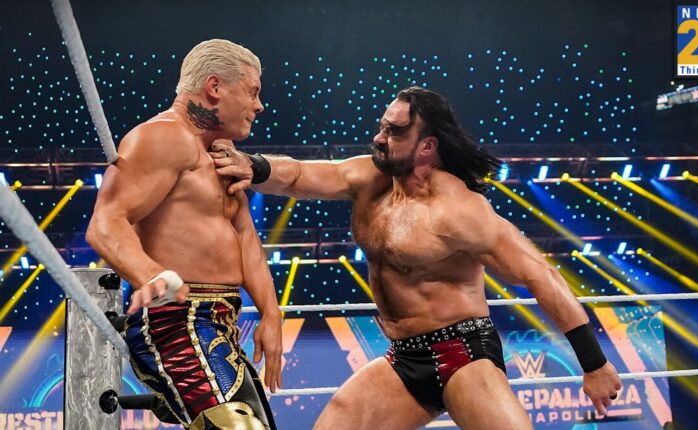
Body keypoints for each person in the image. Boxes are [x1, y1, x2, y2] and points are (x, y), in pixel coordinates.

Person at [211, 86, 622, 429]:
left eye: (394, 131)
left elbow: (540, 275)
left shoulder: (459, 211)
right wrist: (253, 165)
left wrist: (594, 364)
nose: (380, 138)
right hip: (404, 358)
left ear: (427, 145)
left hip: (463, 354)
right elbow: (300, 175)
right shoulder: (369, 179)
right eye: (382, 126)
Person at [86, 39, 281, 430]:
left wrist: (271, 312)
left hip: (218, 321)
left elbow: (244, 235)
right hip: (177, 321)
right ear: (214, 87)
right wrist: (151, 274)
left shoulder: (221, 152)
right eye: (252, 92)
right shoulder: (163, 137)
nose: (259, 105)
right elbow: (106, 223)